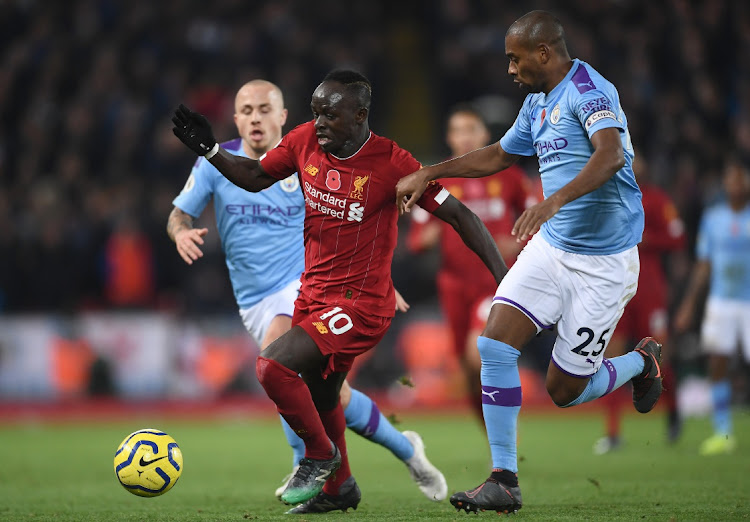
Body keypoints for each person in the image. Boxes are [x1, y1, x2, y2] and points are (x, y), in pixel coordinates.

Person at [171, 70, 508, 514]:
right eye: (316, 113)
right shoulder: (304, 140)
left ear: (360, 115)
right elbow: (254, 176)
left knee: (272, 367)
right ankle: (341, 488)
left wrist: (507, 282)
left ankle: (318, 456)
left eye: (330, 114)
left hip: (360, 306)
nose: (320, 123)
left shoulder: (393, 162)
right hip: (312, 297)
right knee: (325, 395)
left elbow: (462, 217)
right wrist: (211, 150)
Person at [396, 11, 663, 515]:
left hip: (605, 263)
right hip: (553, 247)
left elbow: (609, 157)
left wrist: (553, 200)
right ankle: (504, 480)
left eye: (516, 58)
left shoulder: (590, 91)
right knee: (493, 344)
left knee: (565, 390)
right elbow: (498, 154)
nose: (510, 68)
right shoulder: (535, 102)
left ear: (544, 52)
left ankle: (639, 363)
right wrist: (429, 172)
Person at [407, 104, 534, 423]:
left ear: (485, 135)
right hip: (453, 286)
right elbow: (415, 241)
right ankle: (495, 437)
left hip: (494, 282)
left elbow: (536, 219)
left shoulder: (509, 176)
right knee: (467, 373)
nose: (464, 137)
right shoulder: (438, 181)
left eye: (470, 130)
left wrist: (518, 241)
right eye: (457, 131)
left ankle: (507, 431)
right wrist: (429, 237)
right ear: (450, 138)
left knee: (477, 355)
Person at [593, 150, 686, 454]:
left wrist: (644, 240)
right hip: (618, 290)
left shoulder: (656, 199)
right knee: (611, 355)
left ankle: (673, 413)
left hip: (649, 290)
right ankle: (613, 431)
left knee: (659, 353)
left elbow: (677, 238)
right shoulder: (608, 199)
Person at [674, 158, 750, 456]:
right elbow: (703, 265)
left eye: (740, 178)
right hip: (721, 301)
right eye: (730, 179)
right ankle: (723, 432)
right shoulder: (714, 218)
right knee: (717, 363)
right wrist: (689, 304)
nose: (735, 185)